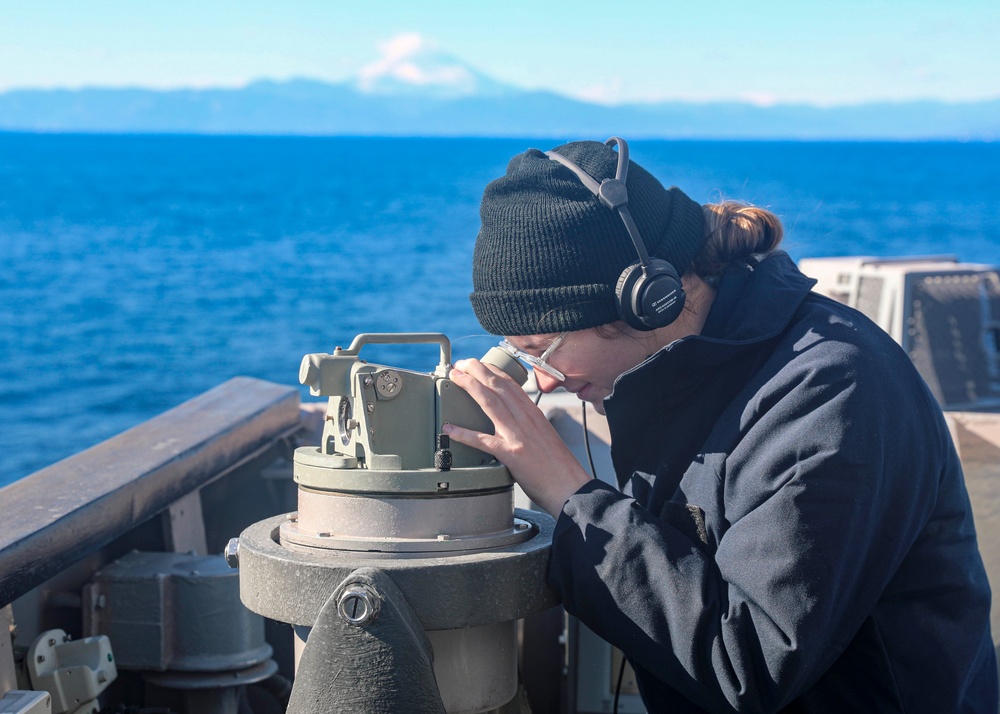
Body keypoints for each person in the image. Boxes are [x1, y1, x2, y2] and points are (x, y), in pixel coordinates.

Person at [442, 137, 998, 712]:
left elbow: (749, 662)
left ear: (649, 301)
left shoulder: (833, 391)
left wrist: (569, 493)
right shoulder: (692, 375)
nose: (546, 380)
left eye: (543, 347)